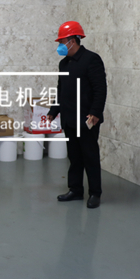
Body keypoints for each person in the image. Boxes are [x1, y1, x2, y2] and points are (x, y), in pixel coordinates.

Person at [47, 21, 107, 209]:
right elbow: (61, 89)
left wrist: (95, 113)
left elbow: (100, 89)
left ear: (72, 41)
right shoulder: (63, 63)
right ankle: (75, 190)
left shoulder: (91, 59)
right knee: (74, 157)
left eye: (61, 41)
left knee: (90, 157)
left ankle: (95, 193)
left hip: (87, 119)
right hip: (69, 119)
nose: (60, 45)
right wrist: (53, 111)